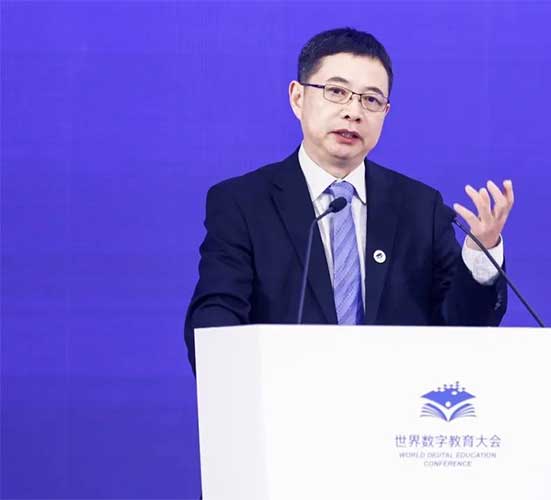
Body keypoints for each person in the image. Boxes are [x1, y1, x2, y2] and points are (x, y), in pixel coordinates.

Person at [184, 27, 514, 373]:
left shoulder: (421, 208)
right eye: (337, 92)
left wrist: (481, 253)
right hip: (286, 397)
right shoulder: (243, 203)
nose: (353, 112)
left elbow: (461, 330)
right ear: (298, 97)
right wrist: (234, 376)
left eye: (371, 100)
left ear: (386, 112)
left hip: (395, 401)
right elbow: (217, 313)